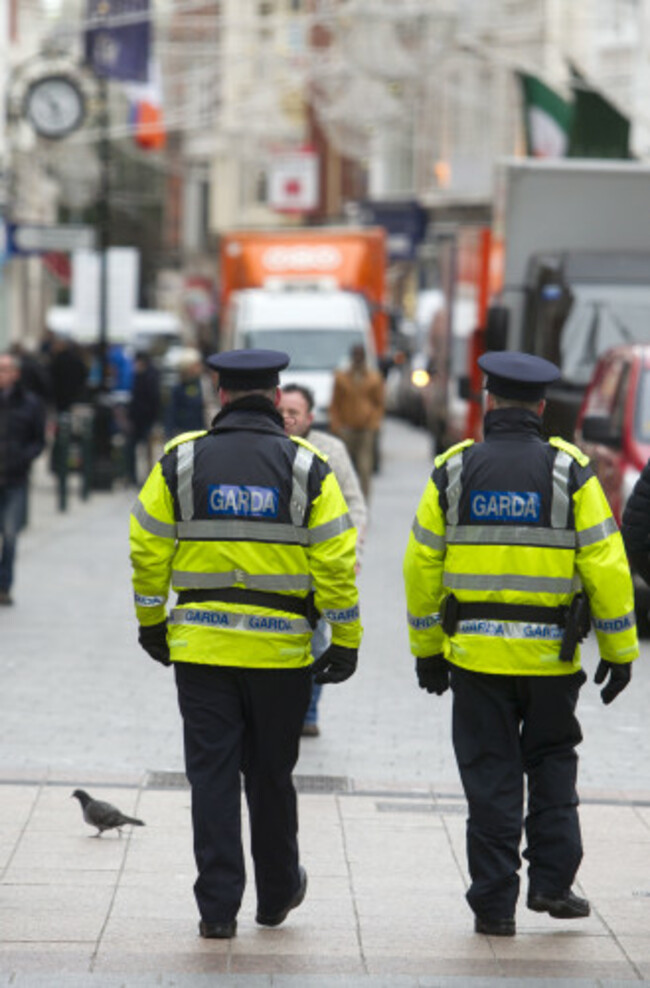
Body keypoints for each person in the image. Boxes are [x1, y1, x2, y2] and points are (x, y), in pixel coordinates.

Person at [403, 350, 638, 938]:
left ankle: (493, 905)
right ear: (540, 408)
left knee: (490, 776)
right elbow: (607, 567)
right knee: (552, 760)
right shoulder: (571, 473)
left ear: (487, 403)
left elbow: (420, 565)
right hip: (550, 660)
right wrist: (620, 652)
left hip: (476, 661)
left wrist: (427, 648)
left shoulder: (453, 471)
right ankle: (553, 883)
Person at [129, 348, 362, 940]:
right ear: (276, 394)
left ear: (221, 393)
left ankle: (216, 910)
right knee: (270, 776)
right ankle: (277, 891)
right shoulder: (308, 467)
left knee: (211, 777)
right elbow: (336, 559)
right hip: (281, 655)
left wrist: (152, 623)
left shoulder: (180, 461)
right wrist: (346, 640)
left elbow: (148, 548)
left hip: (202, 652)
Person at [279, 383, 368, 737]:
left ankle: (308, 713)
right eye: (281, 412)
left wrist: (354, 554)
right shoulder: (270, 449)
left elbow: (355, 504)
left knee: (317, 641)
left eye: (293, 413)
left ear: (310, 418)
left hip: (319, 568)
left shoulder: (331, 452)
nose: (286, 419)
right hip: (280, 567)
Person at [0, 352, 46, 605]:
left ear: (16, 374)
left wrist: (24, 458)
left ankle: (4, 586)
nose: (1, 375)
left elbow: (39, 441)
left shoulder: (30, 403)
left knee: (9, 534)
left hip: (15, 477)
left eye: (5, 370)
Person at [329, 343, 385, 500]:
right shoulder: (342, 377)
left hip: (366, 430)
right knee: (344, 467)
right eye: (356, 355)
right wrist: (336, 425)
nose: (358, 358)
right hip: (346, 429)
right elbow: (335, 403)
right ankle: (345, 501)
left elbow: (379, 404)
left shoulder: (374, 378)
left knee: (364, 468)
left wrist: (373, 423)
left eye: (361, 355)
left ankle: (364, 501)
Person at [125, 351, 161, 486]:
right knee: (141, 450)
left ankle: (141, 478)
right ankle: (138, 477)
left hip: (143, 419)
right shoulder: (144, 375)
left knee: (145, 450)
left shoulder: (146, 377)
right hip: (141, 419)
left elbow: (151, 400)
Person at [164, 348, 206, 439]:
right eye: (196, 365)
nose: (200, 367)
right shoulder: (178, 388)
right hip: (184, 434)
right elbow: (171, 413)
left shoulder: (203, 384)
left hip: (202, 433)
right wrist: (169, 434)